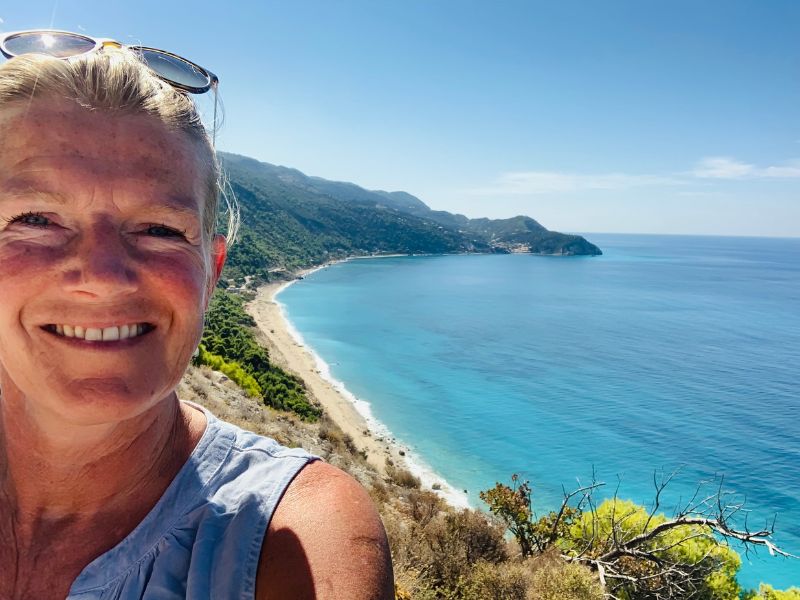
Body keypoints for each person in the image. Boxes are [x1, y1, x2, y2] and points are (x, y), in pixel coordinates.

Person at [0, 30, 394, 599]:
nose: (105, 275)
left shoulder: (285, 539)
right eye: (37, 218)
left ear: (210, 273)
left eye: (160, 229)